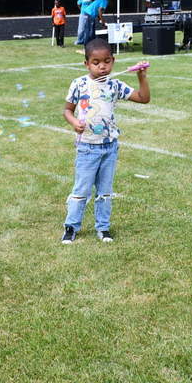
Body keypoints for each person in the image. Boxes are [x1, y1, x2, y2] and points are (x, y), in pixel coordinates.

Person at [60, 38, 150, 244]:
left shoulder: (114, 85)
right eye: (96, 62)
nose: (102, 66)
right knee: (81, 189)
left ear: (113, 61)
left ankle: (103, 227)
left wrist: (142, 77)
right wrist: (74, 122)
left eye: (107, 61)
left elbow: (143, 98)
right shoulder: (79, 84)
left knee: (105, 191)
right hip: (87, 148)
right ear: (86, 64)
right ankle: (71, 226)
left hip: (109, 147)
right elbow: (67, 110)